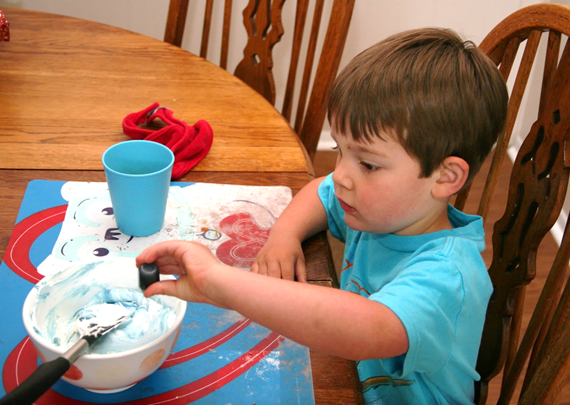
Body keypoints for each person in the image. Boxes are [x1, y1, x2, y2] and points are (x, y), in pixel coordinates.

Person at [136, 27, 508, 404]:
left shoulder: (449, 276)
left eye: (367, 164)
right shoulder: (382, 209)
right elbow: (320, 190)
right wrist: (285, 234)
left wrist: (218, 281)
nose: (342, 175)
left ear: (445, 177)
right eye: (340, 150)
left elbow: (366, 328)